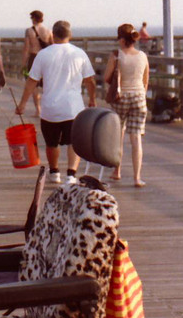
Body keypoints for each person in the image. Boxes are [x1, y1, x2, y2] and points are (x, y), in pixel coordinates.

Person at [15, 19, 96, 185]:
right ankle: (71, 175)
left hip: (50, 108)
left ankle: (54, 172)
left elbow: (32, 81)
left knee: (52, 143)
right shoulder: (79, 53)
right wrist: (92, 99)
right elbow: (90, 81)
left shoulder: (43, 54)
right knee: (74, 142)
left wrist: (22, 104)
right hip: (73, 108)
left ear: (53, 35)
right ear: (70, 35)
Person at [103, 23, 148, 187]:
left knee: (119, 135)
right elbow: (145, 80)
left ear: (122, 40)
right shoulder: (142, 56)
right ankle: (137, 177)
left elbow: (107, 77)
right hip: (139, 97)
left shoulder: (116, 55)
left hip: (121, 98)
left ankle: (117, 171)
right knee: (136, 138)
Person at [22, 11, 53, 117]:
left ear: (34, 18)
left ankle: (38, 110)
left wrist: (23, 64)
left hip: (34, 57)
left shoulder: (29, 31)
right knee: (47, 84)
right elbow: (53, 46)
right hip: (46, 58)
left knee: (34, 85)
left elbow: (26, 49)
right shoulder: (48, 30)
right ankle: (47, 108)